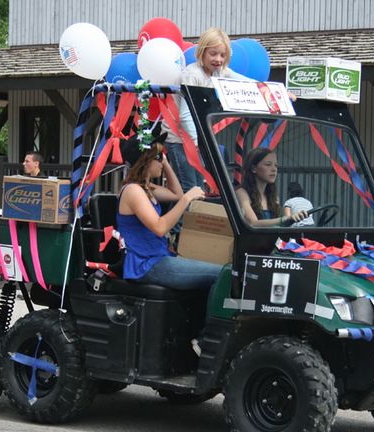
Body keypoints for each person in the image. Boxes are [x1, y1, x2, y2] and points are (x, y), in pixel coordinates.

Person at [117, 133, 223, 291]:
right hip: (146, 264)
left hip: (158, 257)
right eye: (158, 157)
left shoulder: (147, 189)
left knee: (223, 271)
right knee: (222, 274)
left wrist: (164, 162)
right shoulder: (133, 191)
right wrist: (186, 200)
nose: (162, 161)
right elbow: (160, 228)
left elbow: (176, 194)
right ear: (145, 160)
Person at [162, 27, 247, 192]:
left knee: (198, 188)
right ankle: (179, 218)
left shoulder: (219, 72)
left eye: (222, 55)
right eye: (213, 54)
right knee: (189, 188)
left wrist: (274, 91)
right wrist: (196, 142)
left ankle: (188, 217)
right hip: (179, 139)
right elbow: (186, 114)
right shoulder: (192, 75)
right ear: (202, 52)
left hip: (196, 139)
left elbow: (243, 81)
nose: (218, 59)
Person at [236, 147, 308, 227]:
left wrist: (291, 220)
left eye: (276, 165)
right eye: (268, 164)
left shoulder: (273, 197)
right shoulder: (241, 193)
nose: (274, 169)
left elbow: (277, 227)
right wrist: (285, 219)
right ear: (253, 168)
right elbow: (252, 223)